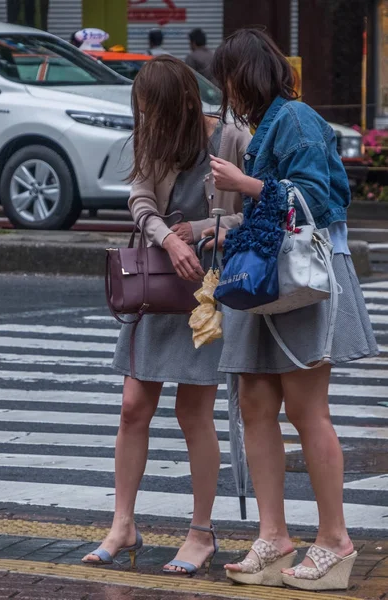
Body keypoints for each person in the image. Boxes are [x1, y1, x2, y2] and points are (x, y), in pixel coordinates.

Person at [202, 28, 378, 591]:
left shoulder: (296, 118)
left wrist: (247, 184)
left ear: (244, 74)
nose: (223, 90)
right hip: (267, 279)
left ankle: (334, 541)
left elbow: (322, 200)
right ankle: (273, 535)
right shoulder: (270, 122)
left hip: (300, 279)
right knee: (255, 400)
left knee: (306, 409)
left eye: (226, 77)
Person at [81, 55, 250, 575]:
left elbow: (260, 207)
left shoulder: (231, 138)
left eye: (153, 111)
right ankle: (123, 524)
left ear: (181, 103)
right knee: (134, 404)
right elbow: (140, 201)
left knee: (192, 412)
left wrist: (200, 231)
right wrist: (165, 239)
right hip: (157, 285)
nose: (146, 123)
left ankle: (201, 532)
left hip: (207, 292)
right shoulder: (156, 137)